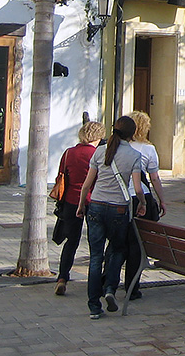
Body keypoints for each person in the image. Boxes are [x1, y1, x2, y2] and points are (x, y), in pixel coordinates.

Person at [76, 116, 146, 320]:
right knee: (116, 250)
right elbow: (138, 188)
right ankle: (109, 289)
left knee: (96, 256)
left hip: (96, 206)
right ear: (132, 134)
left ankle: (93, 306)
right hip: (118, 209)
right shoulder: (134, 155)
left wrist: (81, 205)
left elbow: (87, 184)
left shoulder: (100, 151)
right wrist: (142, 202)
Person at [53, 119, 106, 297]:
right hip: (93, 200)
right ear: (99, 136)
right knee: (95, 243)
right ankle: (95, 282)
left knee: (71, 242)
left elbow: (61, 176)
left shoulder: (69, 153)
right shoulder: (98, 154)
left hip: (70, 200)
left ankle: (62, 278)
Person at [120, 111, 167, 301]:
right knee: (137, 245)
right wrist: (162, 200)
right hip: (140, 199)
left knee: (119, 243)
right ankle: (132, 287)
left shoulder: (118, 147)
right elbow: (154, 178)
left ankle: (107, 281)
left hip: (119, 197)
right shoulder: (148, 149)